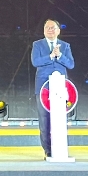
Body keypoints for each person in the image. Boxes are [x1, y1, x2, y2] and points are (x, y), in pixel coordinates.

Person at [30, 18, 75, 158]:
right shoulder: (37, 45)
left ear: (58, 31)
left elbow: (71, 64)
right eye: (47, 28)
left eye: (53, 28)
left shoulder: (65, 46)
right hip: (43, 88)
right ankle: (48, 149)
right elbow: (35, 62)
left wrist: (59, 55)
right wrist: (50, 56)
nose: (50, 30)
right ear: (44, 30)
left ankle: (60, 148)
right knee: (44, 119)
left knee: (60, 119)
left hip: (60, 89)